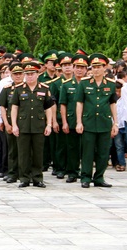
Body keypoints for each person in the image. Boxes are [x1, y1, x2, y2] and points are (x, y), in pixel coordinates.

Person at [76, 54, 119, 188]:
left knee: (103, 153)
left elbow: (112, 104)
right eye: (94, 67)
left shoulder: (111, 85)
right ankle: (86, 178)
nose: (96, 70)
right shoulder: (84, 83)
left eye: (99, 67)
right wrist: (79, 122)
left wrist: (115, 122)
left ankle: (99, 177)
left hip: (104, 123)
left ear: (104, 68)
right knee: (87, 152)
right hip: (88, 122)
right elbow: (79, 103)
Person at [11, 61, 55, 188]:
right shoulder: (19, 89)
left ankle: (37, 178)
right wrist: (14, 125)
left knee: (38, 153)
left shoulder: (44, 89)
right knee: (23, 153)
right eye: (27, 74)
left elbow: (48, 108)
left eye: (32, 74)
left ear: (37, 74)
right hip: (23, 125)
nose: (30, 76)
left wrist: (49, 125)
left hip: (38, 125)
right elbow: (14, 108)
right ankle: (24, 178)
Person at [58, 54, 89, 183]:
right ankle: (72, 172)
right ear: (73, 68)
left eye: (82, 67)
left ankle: (86, 173)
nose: (79, 70)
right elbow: (63, 104)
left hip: (87, 121)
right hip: (71, 121)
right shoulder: (66, 85)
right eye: (77, 67)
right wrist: (64, 122)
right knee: (72, 148)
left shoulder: (90, 83)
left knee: (87, 148)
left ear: (86, 69)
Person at [0, 62, 25, 183]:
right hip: (10, 122)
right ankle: (12, 173)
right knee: (12, 149)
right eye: (15, 74)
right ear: (11, 76)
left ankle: (24, 173)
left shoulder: (28, 89)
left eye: (20, 74)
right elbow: (2, 107)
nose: (18, 76)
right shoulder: (7, 89)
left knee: (25, 150)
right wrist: (6, 123)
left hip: (25, 123)